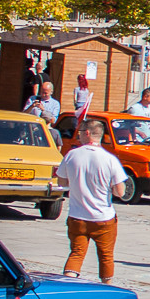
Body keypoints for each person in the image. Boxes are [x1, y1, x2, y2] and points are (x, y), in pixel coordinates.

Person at [55, 118, 124, 282]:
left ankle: (68, 284)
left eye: (79, 133)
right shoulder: (109, 159)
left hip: (78, 215)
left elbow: (62, 182)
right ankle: (107, 287)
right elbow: (120, 192)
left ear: (87, 133)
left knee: (77, 253)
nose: (78, 136)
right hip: (103, 217)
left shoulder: (71, 155)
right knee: (106, 255)